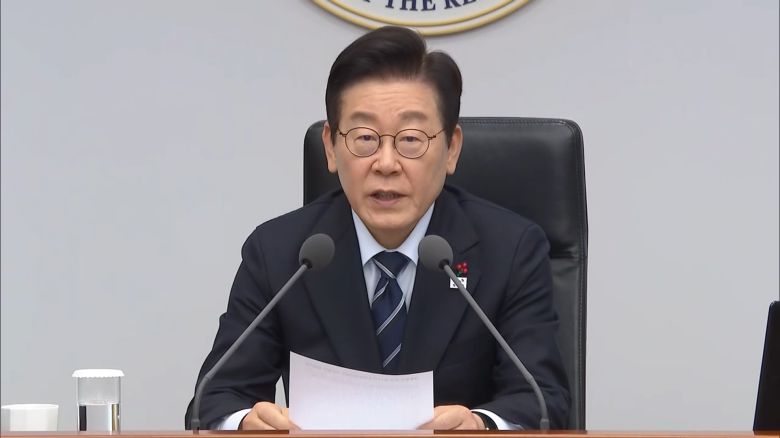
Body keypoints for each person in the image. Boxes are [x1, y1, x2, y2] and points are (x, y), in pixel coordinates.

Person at [185, 25, 570, 430]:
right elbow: (215, 398)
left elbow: (542, 399)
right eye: (365, 138)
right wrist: (244, 423)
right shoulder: (280, 253)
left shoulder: (510, 250)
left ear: (452, 148)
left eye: (411, 139)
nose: (386, 163)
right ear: (331, 146)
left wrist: (480, 426)